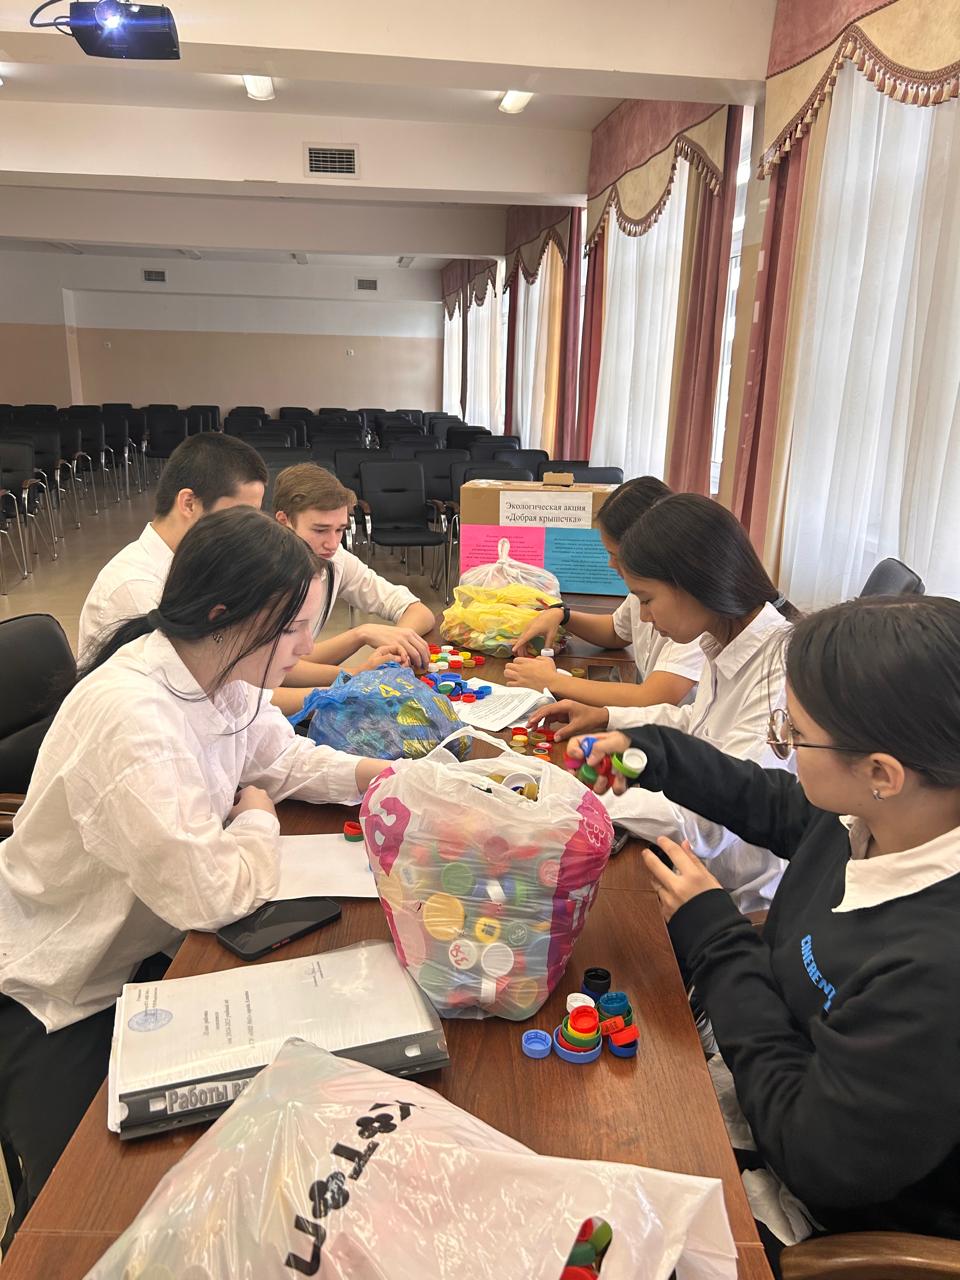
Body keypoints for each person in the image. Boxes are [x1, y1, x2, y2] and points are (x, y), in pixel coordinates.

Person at [0, 507, 387, 1246]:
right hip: (55, 989)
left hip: (145, 951)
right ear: (222, 617)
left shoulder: (221, 673)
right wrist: (258, 818)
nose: (306, 648)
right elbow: (212, 893)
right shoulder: (133, 717)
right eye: (292, 630)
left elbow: (281, 757)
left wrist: (387, 779)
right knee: (94, 1218)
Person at [567, 596, 960, 1261]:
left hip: (823, 1209)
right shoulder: (881, 820)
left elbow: (818, 1157)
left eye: (794, 735)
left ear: (882, 774)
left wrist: (718, 938)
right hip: (755, 1054)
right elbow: (774, 804)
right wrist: (652, 752)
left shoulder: (934, 969)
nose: (785, 745)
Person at [530, 493, 798, 910]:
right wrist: (608, 718)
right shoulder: (724, 638)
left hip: (738, 898)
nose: (644, 616)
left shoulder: (777, 675)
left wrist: (585, 797)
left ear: (695, 582)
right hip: (699, 864)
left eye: (647, 599)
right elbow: (696, 724)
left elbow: (711, 821)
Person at [503, 477, 704, 709]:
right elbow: (617, 632)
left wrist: (553, 681)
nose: (610, 564)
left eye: (615, 555)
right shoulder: (648, 589)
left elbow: (653, 698)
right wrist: (563, 615)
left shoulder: (691, 618)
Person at [77, 432, 268, 661]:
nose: (247, 530)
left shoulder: (199, 564)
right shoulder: (138, 589)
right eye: (239, 516)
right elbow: (200, 674)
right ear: (189, 504)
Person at [270, 463, 436, 714]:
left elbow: (418, 611)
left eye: (340, 530)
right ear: (284, 521)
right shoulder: (261, 575)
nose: (332, 543)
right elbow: (271, 672)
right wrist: (354, 669)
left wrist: (395, 645)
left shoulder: (335, 559)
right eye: (320, 530)